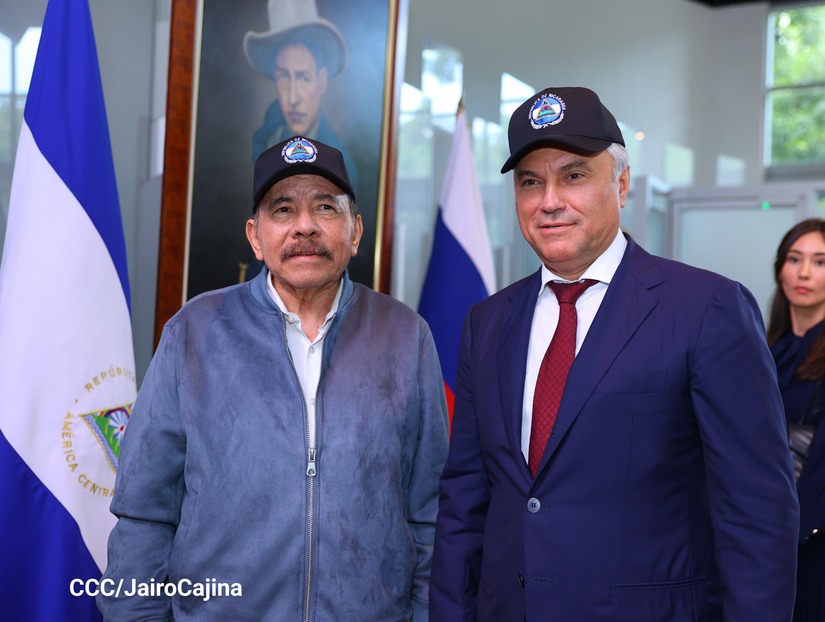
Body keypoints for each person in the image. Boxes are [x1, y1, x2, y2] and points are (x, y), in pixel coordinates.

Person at [429, 86, 800, 621]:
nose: (549, 201)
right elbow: (465, 503)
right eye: (531, 182)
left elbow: (756, 511)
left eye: (574, 176)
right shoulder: (487, 323)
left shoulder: (707, 308)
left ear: (621, 183)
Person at [97, 136, 449, 620]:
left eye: (325, 207)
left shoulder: (406, 336)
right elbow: (144, 514)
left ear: (355, 231)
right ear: (256, 237)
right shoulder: (192, 333)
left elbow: (430, 513)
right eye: (283, 209)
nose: (304, 225)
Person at [768, 218, 825, 622]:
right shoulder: (767, 347)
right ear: (780, 268)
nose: (804, 273)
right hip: (762, 525)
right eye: (794, 259)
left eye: (820, 262)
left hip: (810, 533)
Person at [243, 0, 357, 190]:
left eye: (303, 78)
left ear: (321, 81)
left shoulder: (343, 169)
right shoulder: (266, 138)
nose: (292, 98)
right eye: (284, 76)